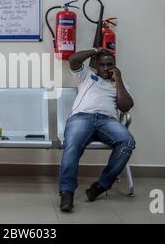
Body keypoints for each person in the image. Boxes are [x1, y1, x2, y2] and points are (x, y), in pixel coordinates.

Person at [59, 47, 136, 212]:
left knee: (127, 142)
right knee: (72, 145)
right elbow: (73, 60)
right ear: (96, 66)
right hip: (82, 117)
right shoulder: (86, 75)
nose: (107, 68)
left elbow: (125, 107)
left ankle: (100, 186)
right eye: (103, 65)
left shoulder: (121, 85)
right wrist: (94, 50)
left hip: (107, 121)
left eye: (111, 65)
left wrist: (119, 80)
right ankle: (67, 192)